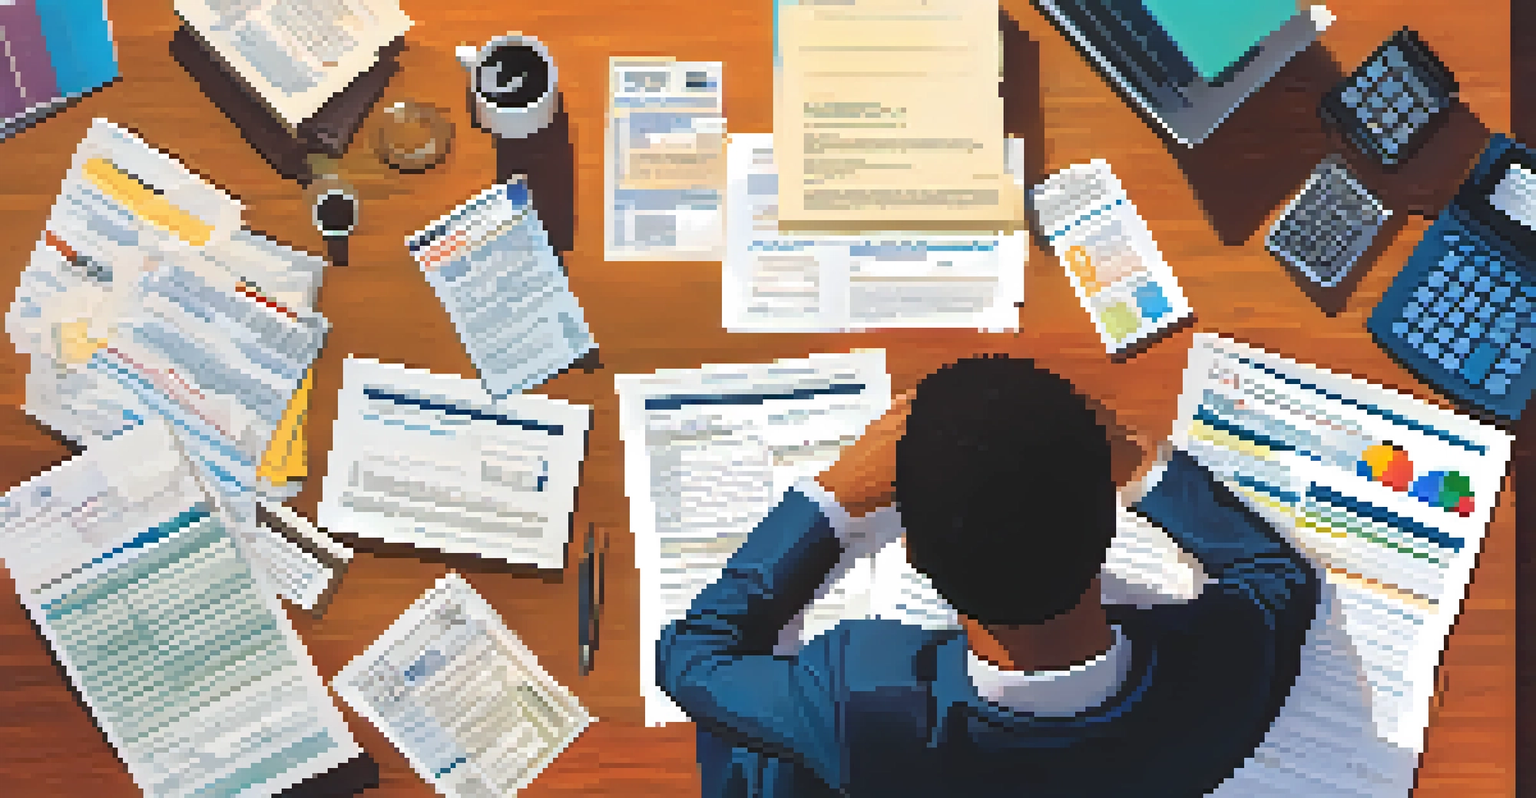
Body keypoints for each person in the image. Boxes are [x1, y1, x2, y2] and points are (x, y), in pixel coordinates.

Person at [656, 355, 1320, 797]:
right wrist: (1136, 459)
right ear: (1111, 524)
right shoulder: (1225, 668)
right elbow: (1278, 574)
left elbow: (690, 658)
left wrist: (829, 499)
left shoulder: (857, 695)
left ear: (912, 555)